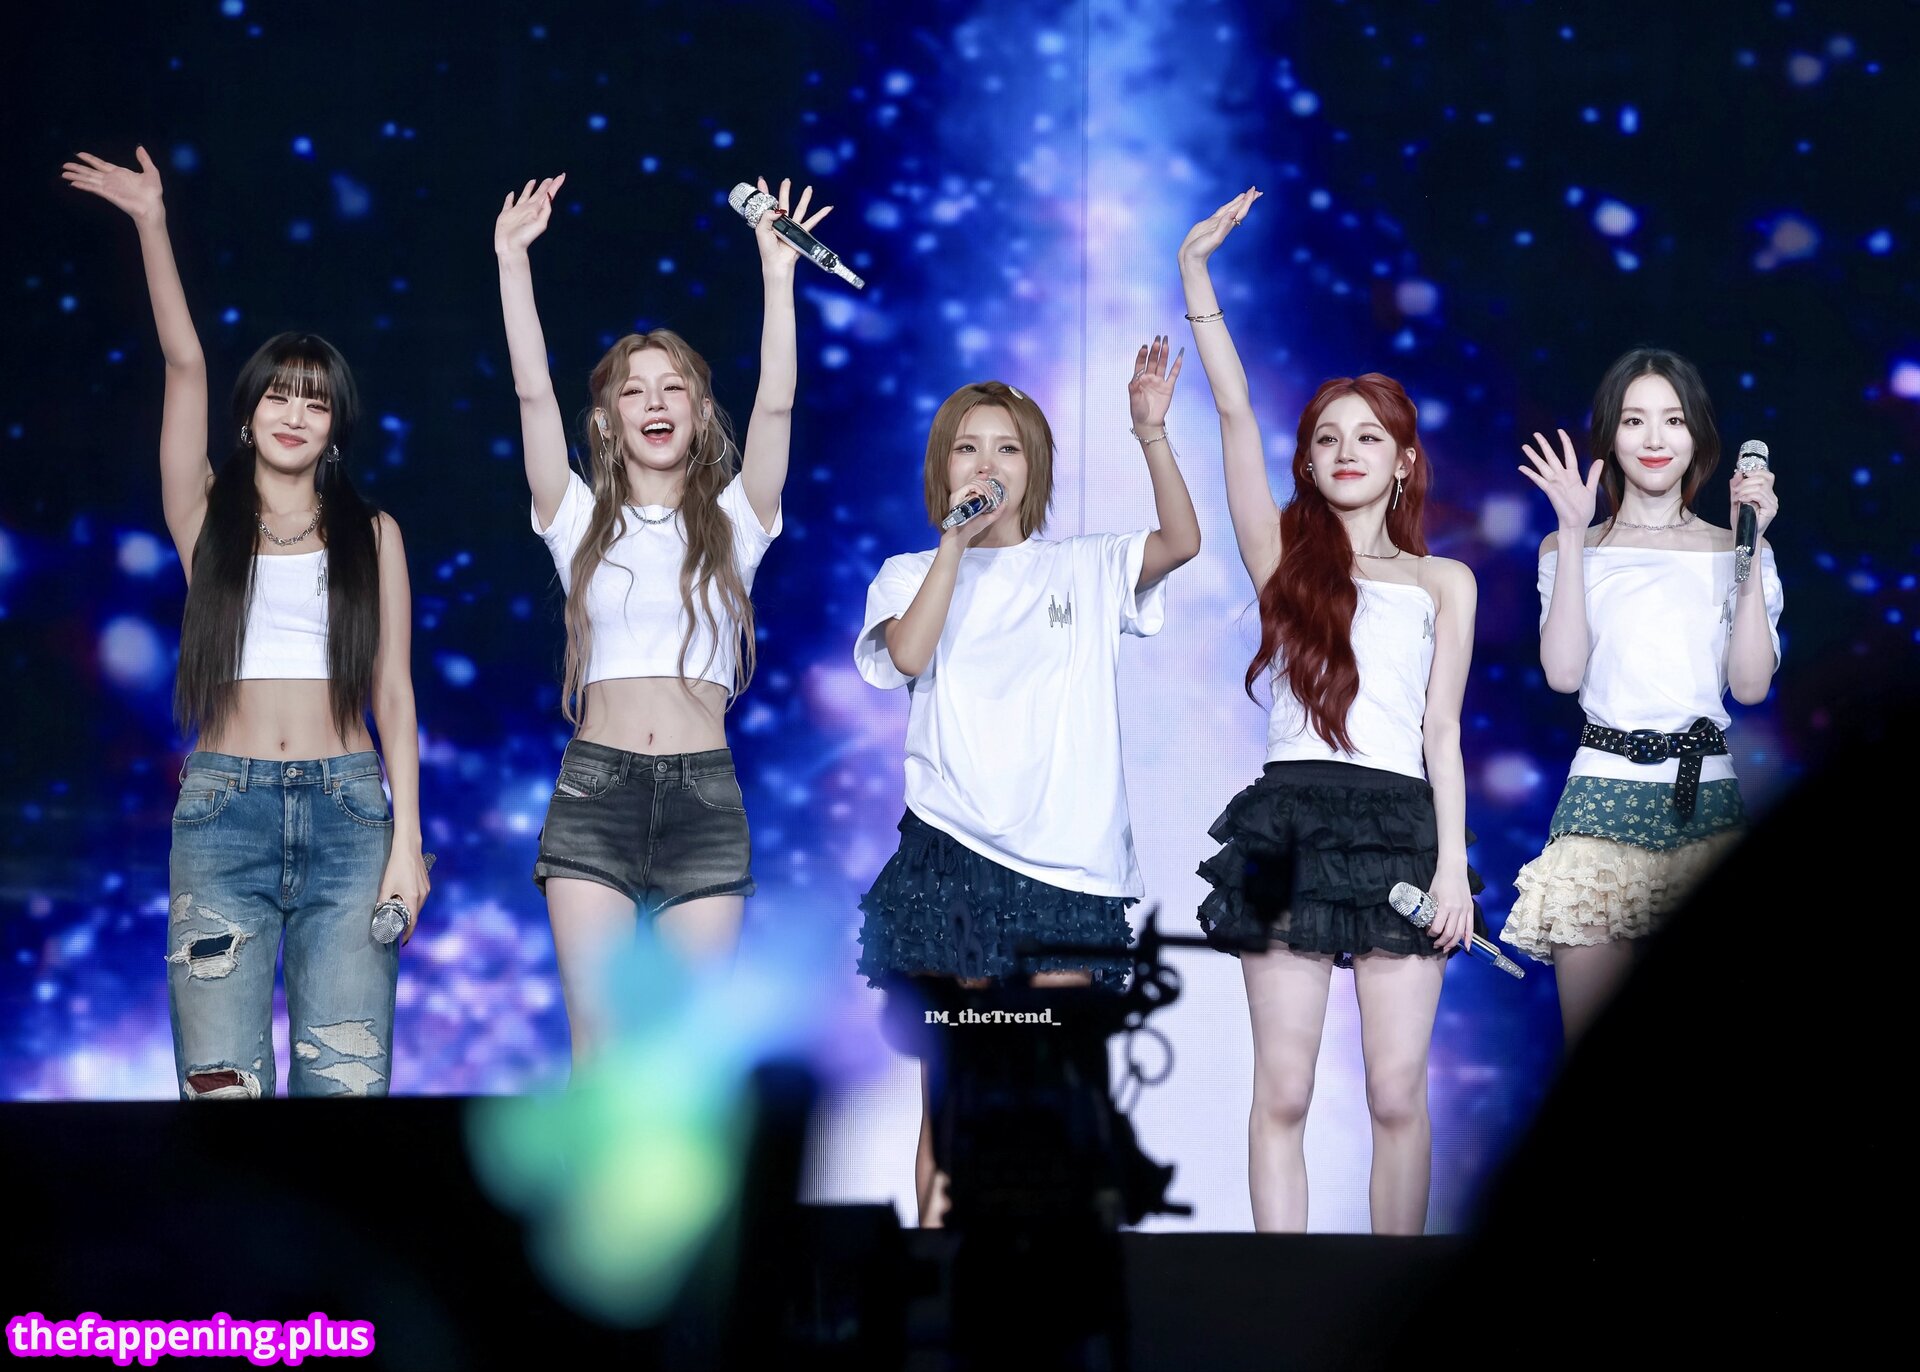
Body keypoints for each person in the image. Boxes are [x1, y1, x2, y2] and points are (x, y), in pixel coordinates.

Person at [65, 147, 428, 1098]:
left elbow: (394, 694)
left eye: (316, 402)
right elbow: (183, 360)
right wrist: (152, 223)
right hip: (225, 814)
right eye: (278, 393)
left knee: (347, 1088)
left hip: (352, 815)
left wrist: (407, 843)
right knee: (220, 1087)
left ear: (335, 429)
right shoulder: (205, 517)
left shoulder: (374, 534)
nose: (294, 414)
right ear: (248, 414)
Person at [1183, 189, 1481, 1234]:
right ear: (1306, 461)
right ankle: (1281, 1292)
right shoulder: (1282, 561)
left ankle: (1397, 1292)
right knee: (1284, 1090)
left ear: (1404, 458)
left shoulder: (1445, 583)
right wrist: (1196, 278)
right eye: (1326, 437)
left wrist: (1453, 868)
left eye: (1369, 436)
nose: (1347, 450)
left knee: (1398, 1095)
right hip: (1289, 823)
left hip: (1401, 824)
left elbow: (1442, 734)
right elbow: (1232, 416)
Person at [853, 352, 1200, 1225]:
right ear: (943, 466)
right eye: (967, 448)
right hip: (952, 860)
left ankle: (1058, 1288)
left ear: (1034, 466)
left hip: (1069, 873)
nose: (987, 465)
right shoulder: (908, 573)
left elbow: (1182, 542)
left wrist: (1151, 433)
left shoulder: (1084, 565)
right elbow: (908, 655)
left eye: (1007, 448)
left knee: (1062, 1098)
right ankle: (942, 1278)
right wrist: (953, 545)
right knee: (954, 1097)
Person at [494, 174, 828, 1063]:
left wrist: (778, 274)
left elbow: (778, 402)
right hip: (596, 795)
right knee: (601, 1056)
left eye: (673, 388)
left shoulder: (738, 519)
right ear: (607, 421)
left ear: (699, 414)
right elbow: (531, 395)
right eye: (634, 391)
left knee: (685, 1066)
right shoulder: (574, 519)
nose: (653, 402)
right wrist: (512, 262)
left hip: (703, 799)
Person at [1504, 347, 1782, 1047]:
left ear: (1698, 437)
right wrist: (1573, 533)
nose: (1655, 439)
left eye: (1673, 420)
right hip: (1601, 799)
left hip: (1705, 803)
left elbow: (1751, 685)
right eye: (1634, 420)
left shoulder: (1734, 549)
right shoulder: (1570, 546)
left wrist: (1749, 552)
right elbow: (1563, 673)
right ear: (1611, 435)